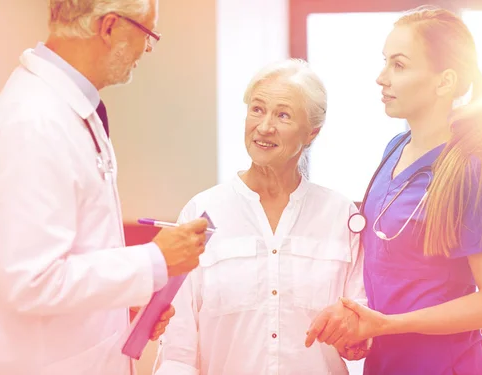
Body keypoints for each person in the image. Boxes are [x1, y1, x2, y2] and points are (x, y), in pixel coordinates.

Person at [0, 1, 208, 374]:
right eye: (147, 33)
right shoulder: (33, 122)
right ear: (109, 27)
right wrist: (153, 261)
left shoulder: (69, 108)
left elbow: (71, 253)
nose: (147, 48)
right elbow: (31, 281)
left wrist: (119, 303)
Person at [305, 5, 482, 375]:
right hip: (385, 363)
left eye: (398, 65)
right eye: (385, 62)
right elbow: (389, 268)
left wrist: (387, 325)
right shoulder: (395, 148)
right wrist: (365, 327)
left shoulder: (471, 171)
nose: (380, 78)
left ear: (444, 81)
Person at [154, 59, 367, 375]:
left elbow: (360, 331)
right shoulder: (202, 212)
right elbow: (177, 346)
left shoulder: (340, 215)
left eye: (283, 115)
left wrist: (357, 338)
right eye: (257, 109)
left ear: (312, 132)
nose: (264, 127)